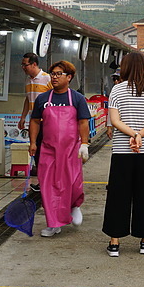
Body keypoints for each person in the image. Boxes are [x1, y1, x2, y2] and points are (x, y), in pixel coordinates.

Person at [103, 52, 144, 257]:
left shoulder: (117, 90)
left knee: (118, 194)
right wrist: (140, 135)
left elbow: (115, 120)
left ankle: (114, 242)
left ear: (126, 67)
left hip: (122, 150)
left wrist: (132, 134)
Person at [28, 60, 91, 237]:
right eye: (52, 74)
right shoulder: (43, 99)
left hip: (71, 149)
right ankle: (53, 223)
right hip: (48, 149)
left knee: (72, 182)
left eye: (58, 74)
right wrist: (33, 142)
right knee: (48, 185)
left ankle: (74, 205)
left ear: (69, 77)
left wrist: (84, 144)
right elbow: (34, 121)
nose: (54, 77)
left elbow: (83, 121)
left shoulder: (77, 98)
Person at [18, 53, 52, 191]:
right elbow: (28, 99)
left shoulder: (47, 78)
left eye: (25, 65)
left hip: (47, 122)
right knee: (36, 151)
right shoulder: (28, 80)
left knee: (47, 152)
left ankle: (50, 181)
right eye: (22, 65)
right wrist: (23, 117)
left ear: (34, 64)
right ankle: (42, 182)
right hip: (34, 122)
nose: (23, 68)